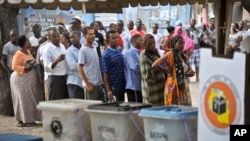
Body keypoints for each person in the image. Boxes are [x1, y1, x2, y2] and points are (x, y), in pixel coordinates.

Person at [10, 35, 44, 127]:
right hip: (21, 80)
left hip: (29, 81)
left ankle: (30, 119)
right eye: (28, 41)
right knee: (22, 100)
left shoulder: (28, 51)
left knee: (30, 99)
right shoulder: (18, 53)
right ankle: (22, 120)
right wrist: (26, 68)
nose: (29, 42)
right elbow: (14, 66)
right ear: (24, 43)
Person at [152, 35, 192, 106]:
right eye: (180, 43)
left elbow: (189, 69)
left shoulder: (183, 56)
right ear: (174, 44)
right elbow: (155, 65)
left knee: (183, 107)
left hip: (183, 85)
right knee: (174, 107)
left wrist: (190, 72)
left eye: (183, 43)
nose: (182, 45)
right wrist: (167, 71)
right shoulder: (169, 55)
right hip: (173, 85)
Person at [78, 26, 104, 101]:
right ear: (84, 36)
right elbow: (80, 68)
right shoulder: (83, 50)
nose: (92, 36)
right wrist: (88, 84)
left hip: (99, 84)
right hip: (91, 85)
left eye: (93, 34)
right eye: (90, 34)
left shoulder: (95, 47)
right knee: (92, 109)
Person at [140, 34, 166, 106]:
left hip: (160, 87)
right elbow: (147, 74)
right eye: (150, 44)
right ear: (145, 44)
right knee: (152, 110)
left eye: (154, 43)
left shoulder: (156, 52)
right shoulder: (144, 55)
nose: (152, 45)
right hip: (151, 89)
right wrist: (160, 69)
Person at [43, 29, 68, 100]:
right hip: (55, 80)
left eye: (58, 36)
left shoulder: (62, 46)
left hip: (64, 78)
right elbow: (47, 69)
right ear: (49, 38)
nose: (57, 38)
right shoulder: (47, 50)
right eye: (54, 36)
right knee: (55, 103)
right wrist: (57, 60)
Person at [102, 30, 126, 102]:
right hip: (113, 88)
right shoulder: (106, 55)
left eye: (117, 37)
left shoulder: (119, 51)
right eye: (113, 38)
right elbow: (105, 73)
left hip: (121, 86)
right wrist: (109, 90)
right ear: (108, 40)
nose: (116, 40)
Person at [124, 34, 143, 102]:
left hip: (138, 85)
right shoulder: (130, 52)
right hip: (133, 86)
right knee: (134, 109)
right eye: (140, 40)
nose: (142, 42)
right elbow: (135, 67)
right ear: (135, 41)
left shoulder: (138, 52)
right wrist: (145, 70)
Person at [65, 31, 84, 99]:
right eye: (70, 38)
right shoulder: (69, 51)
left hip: (84, 82)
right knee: (76, 107)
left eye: (74, 37)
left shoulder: (84, 48)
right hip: (74, 82)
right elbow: (73, 66)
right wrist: (86, 66)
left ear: (79, 37)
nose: (72, 39)